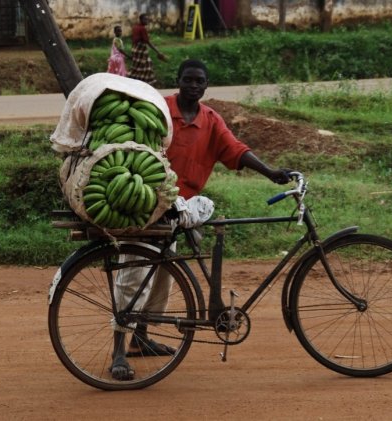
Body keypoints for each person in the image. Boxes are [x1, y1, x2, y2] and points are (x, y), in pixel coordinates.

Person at [109, 59, 292, 380]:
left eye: (200, 81)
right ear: (178, 81)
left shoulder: (210, 119)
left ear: (206, 86)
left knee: (164, 276)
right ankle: (118, 353)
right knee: (135, 277)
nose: (194, 85)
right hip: (144, 203)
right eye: (188, 79)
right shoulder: (160, 109)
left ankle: (141, 337)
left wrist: (271, 172)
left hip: (177, 209)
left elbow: (234, 149)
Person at [128, 13, 168, 86]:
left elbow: (133, 39)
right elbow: (147, 41)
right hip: (141, 50)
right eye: (145, 19)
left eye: (147, 19)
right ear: (141, 20)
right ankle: (146, 83)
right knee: (146, 66)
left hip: (135, 49)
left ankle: (136, 82)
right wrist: (158, 52)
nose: (147, 21)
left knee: (137, 67)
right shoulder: (142, 28)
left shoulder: (135, 27)